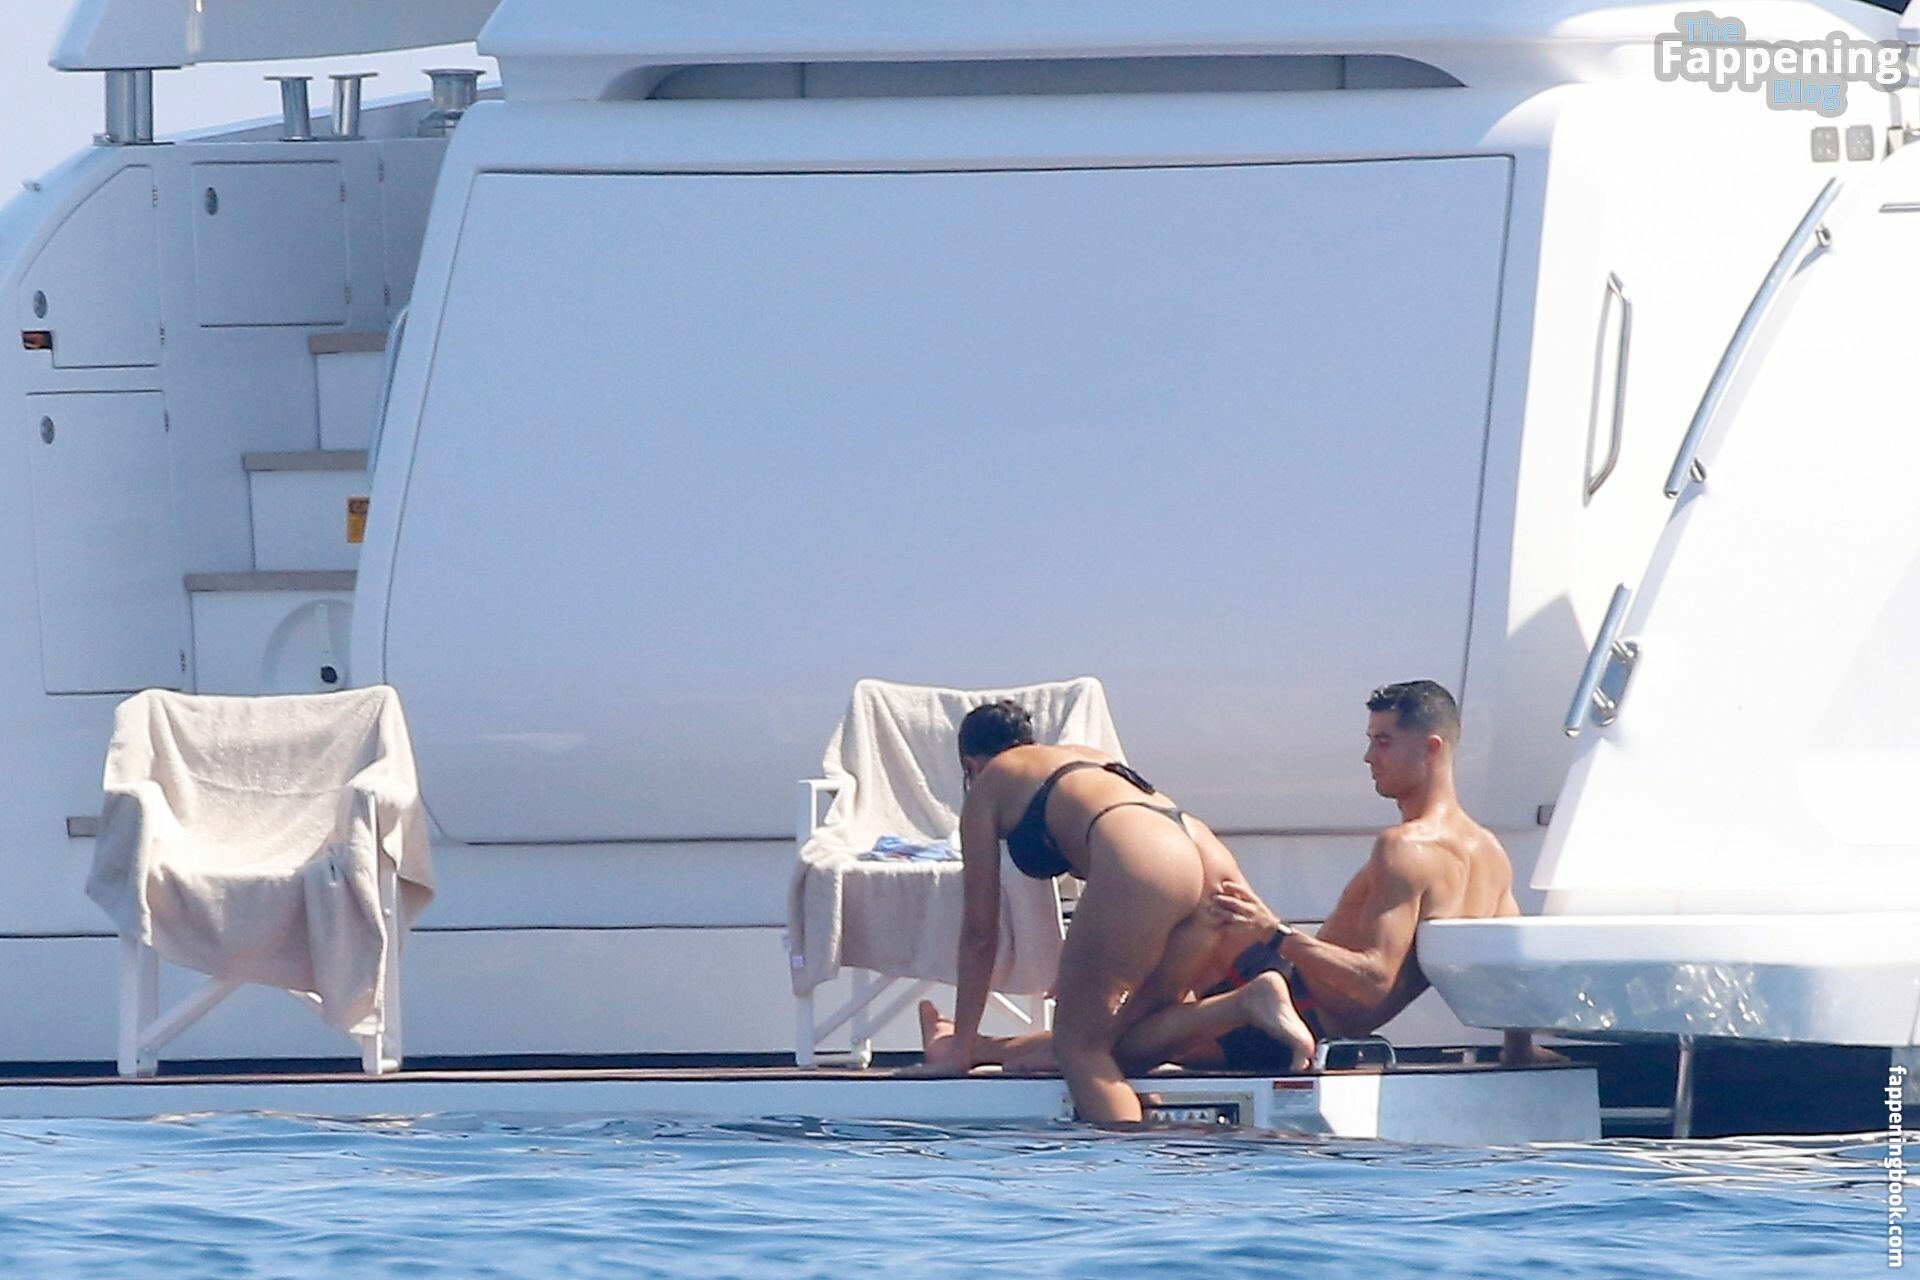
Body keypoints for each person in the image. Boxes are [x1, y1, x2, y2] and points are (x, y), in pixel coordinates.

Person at [919, 680, 1560, 1079]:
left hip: (1295, 1004)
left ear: (1433, 749)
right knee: (1101, 1024)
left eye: (1384, 742)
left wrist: (1277, 935)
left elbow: (1373, 980)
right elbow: (1508, 969)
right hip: (1306, 1010)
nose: (1369, 756)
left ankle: (968, 1046)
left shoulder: (1405, 847)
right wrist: (1518, 1053)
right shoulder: (1491, 854)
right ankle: (975, 1046)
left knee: (1103, 1047)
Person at [926, 699, 1262, 1123]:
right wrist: (1084, 963)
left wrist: (959, 1054)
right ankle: (1248, 1004)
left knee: (1080, 1048)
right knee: (1130, 1034)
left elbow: (980, 932)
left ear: (970, 765)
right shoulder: (1084, 759)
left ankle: (1129, 1159)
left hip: (1146, 861)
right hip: (1203, 854)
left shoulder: (989, 783)